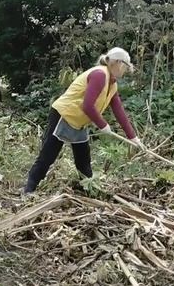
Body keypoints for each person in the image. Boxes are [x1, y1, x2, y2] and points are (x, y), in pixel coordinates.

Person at [23, 47, 143, 194]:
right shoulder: (100, 75)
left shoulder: (112, 83)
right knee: (48, 155)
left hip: (79, 122)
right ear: (117, 63)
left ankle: (88, 189)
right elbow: (87, 105)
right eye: (125, 66)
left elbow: (119, 111)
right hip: (64, 115)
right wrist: (102, 125)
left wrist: (133, 137)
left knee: (83, 160)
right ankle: (28, 190)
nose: (125, 70)